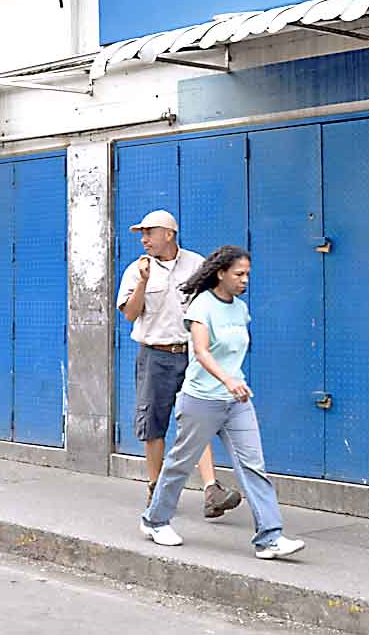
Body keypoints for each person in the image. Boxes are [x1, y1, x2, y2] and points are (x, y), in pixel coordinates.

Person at [141, 246, 306, 559]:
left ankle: (269, 538)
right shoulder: (202, 306)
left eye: (247, 275)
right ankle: (155, 520)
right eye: (238, 274)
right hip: (201, 400)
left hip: (236, 401)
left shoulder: (240, 309)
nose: (245, 280)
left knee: (254, 466)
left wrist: (234, 382)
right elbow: (201, 352)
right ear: (221, 273)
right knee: (180, 464)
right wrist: (227, 379)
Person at [117, 210, 241, 518]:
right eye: (141, 234)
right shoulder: (136, 269)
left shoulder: (196, 264)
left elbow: (213, 305)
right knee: (153, 423)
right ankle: (156, 487)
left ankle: (211, 490)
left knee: (198, 419)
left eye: (149, 233)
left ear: (169, 234)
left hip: (190, 353)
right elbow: (130, 314)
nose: (144, 239)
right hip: (154, 355)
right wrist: (144, 283)